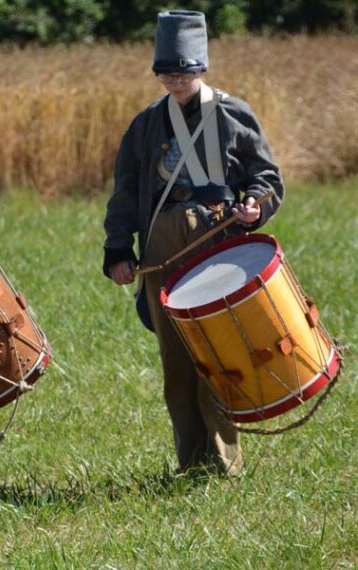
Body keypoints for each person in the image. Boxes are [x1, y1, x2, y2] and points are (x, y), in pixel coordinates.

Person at [103, 10, 284, 476]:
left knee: (219, 354)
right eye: (166, 72)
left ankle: (225, 464)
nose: (175, 79)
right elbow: (124, 192)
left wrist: (254, 207)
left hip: (215, 236)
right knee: (176, 362)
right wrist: (119, 249)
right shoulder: (145, 125)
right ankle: (191, 462)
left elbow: (266, 178)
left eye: (183, 71)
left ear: (201, 67)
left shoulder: (231, 112)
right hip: (163, 242)